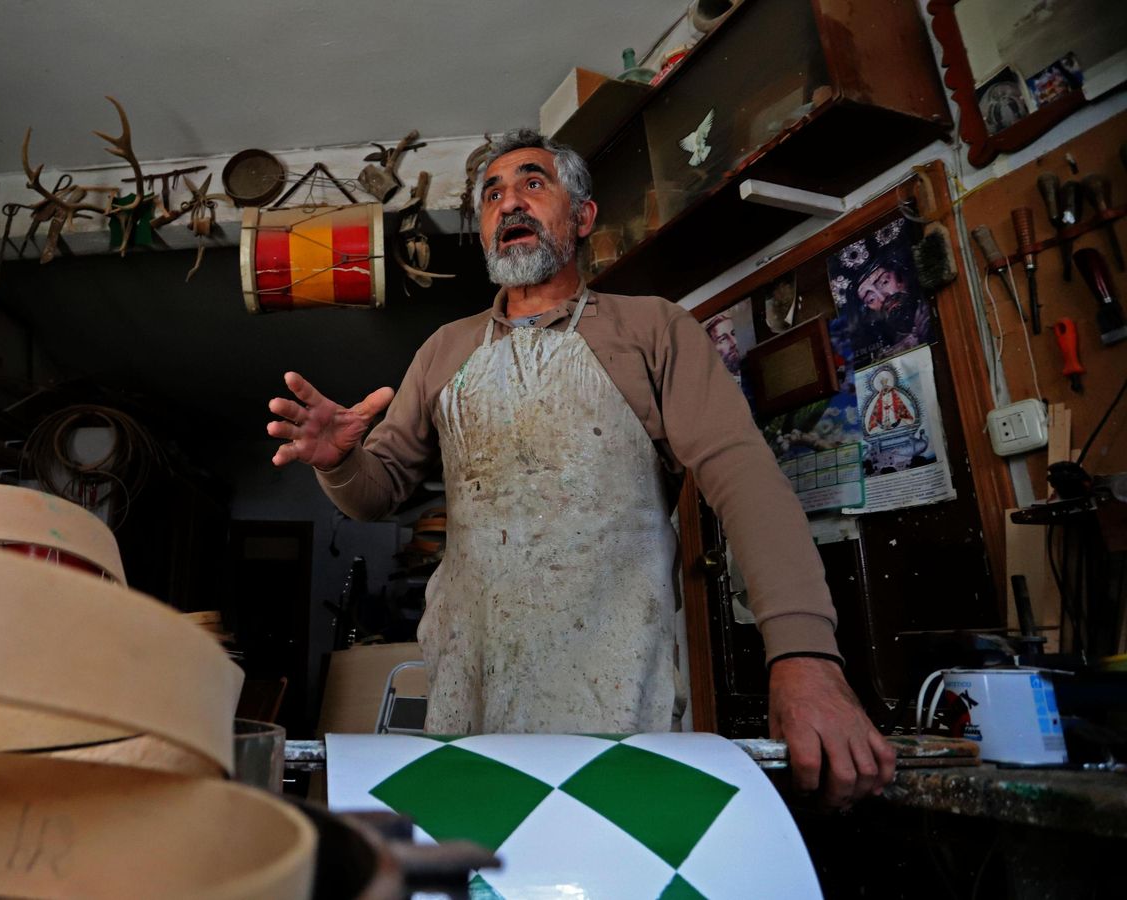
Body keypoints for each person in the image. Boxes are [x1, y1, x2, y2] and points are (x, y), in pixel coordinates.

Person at [266, 129, 893, 808]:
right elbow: (378, 489)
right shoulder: (445, 349)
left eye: (533, 184)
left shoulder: (651, 329)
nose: (510, 204)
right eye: (492, 196)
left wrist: (803, 655)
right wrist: (341, 462)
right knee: (479, 853)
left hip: (617, 693)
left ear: (584, 216)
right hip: (467, 691)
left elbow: (744, 482)